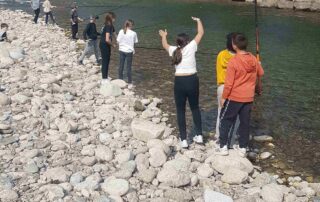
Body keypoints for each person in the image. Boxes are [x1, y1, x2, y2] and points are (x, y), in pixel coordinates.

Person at [159, 17, 204, 148]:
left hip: (179, 82)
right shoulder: (191, 47)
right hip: (192, 80)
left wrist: (164, 35)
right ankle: (199, 135)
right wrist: (198, 20)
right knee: (195, 108)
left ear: (178, 42)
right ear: (187, 41)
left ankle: (184, 140)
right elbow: (200, 33)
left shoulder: (174, 50)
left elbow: (164, 45)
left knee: (180, 111)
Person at [216, 33, 264, 157]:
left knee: (225, 120)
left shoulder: (234, 61)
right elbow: (260, 73)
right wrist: (258, 64)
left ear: (234, 45)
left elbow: (229, 83)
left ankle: (223, 146)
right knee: (245, 122)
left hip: (234, 97)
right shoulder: (253, 58)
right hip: (248, 97)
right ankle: (243, 148)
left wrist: (224, 97)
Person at [215, 32, 240, 148]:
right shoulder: (240, 57)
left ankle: (219, 138)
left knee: (221, 113)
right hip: (236, 88)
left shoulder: (221, 54)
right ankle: (230, 141)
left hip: (222, 87)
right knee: (236, 116)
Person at [116, 19, 138, 84]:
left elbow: (117, 42)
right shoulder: (134, 33)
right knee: (128, 67)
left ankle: (120, 80)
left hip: (121, 50)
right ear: (131, 25)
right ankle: (129, 82)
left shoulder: (121, 31)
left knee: (121, 66)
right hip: (129, 52)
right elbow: (135, 42)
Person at [100, 12, 116, 83]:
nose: (115, 19)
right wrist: (113, 44)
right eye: (114, 18)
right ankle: (104, 79)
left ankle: (105, 76)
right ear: (111, 18)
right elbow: (107, 39)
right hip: (105, 45)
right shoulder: (108, 26)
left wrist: (119, 40)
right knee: (105, 61)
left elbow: (115, 33)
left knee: (106, 60)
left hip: (102, 44)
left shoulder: (107, 25)